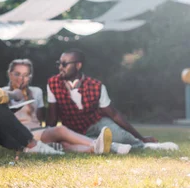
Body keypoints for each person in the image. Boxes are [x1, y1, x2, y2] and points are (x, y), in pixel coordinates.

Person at [46, 49, 178, 151]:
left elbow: (114, 114)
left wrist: (140, 137)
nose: (60, 67)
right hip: (73, 129)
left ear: (78, 65)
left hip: (96, 123)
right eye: (59, 63)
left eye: (64, 64)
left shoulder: (96, 85)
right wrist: (47, 137)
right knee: (76, 143)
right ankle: (112, 147)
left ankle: (144, 145)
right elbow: (52, 117)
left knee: (120, 136)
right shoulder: (52, 83)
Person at [3, 58, 125, 154]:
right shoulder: (2, 92)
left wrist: (28, 99)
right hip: (22, 133)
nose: (21, 79)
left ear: (30, 77)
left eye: (26, 75)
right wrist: (14, 96)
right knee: (60, 130)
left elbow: (39, 119)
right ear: (10, 74)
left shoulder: (36, 91)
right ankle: (111, 145)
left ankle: (97, 148)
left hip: (39, 131)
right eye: (17, 74)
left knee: (65, 145)